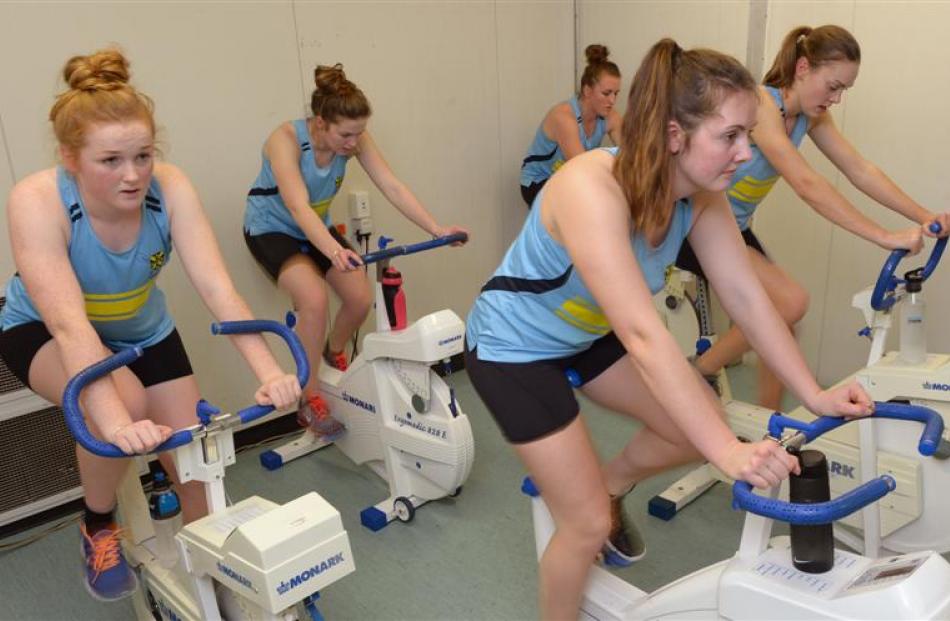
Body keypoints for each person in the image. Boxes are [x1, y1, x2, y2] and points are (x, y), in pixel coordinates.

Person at [464, 39, 874, 621]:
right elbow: (644, 336)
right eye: (730, 136)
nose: (745, 152)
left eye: (748, 135)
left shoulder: (703, 199)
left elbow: (748, 301)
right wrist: (728, 455)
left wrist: (815, 394)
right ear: (676, 135)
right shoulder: (591, 187)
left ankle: (607, 485)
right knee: (582, 527)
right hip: (513, 349)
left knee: (693, 427)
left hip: (584, 334)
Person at [0, 49, 302, 602]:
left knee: (200, 476)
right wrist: (116, 424)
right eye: (110, 160)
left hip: (142, 331)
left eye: (142, 155)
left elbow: (219, 291)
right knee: (126, 404)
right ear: (71, 158)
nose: (133, 174)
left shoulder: (170, 188)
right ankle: (97, 522)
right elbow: (70, 327)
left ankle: (214, 593)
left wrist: (270, 372)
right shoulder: (37, 200)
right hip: (41, 330)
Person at [676, 24, 950, 410]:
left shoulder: (810, 117)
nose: (836, 98)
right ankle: (698, 372)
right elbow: (806, 183)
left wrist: (925, 216)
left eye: (844, 91)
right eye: (832, 86)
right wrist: (883, 236)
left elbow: (860, 170)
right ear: (803, 68)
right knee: (789, 304)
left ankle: (769, 429)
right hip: (691, 224)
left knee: (782, 323)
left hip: (732, 227)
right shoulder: (760, 107)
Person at [243, 63, 466, 440]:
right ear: (319, 123)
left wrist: (436, 228)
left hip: (317, 226)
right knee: (313, 299)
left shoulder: (354, 138)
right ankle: (308, 396)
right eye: (346, 134)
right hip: (272, 229)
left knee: (360, 297)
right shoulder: (284, 140)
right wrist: (333, 251)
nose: (354, 143)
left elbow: (391, 185)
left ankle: (333, 350)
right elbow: (297, 206)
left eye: (359, 134)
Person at [520, 44, 623, 207]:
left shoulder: (611, 117)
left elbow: (631, 156)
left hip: (566, 179)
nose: (612, 101)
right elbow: (584, 169)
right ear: (587, 90)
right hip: (538, 181)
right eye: (606, 93)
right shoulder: (564, 118)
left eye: (616, 94)